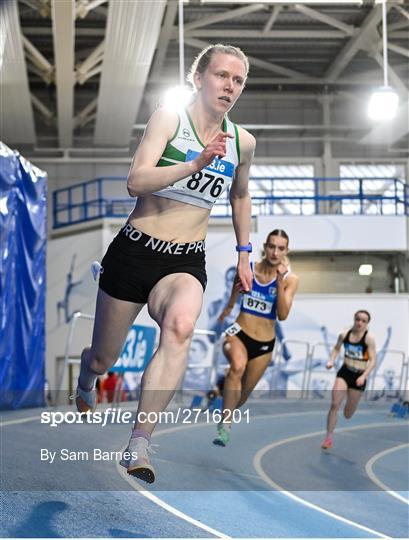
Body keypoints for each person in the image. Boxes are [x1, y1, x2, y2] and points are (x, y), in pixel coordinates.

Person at [75, 43, 255, 483]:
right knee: (104, 358)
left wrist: (244, 252)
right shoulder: (168, 119)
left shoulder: (242, 142)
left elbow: (240, 194)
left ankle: (140, 441)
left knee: (180, 327)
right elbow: (136, 181)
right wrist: (194, 162)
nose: (229, 86)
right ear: (198, 78)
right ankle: (87, 372)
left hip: (185, 261)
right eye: (221, 76)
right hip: (135, 251)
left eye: (238, 80)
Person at [213, 229, 299, 446]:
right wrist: (230, 307)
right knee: (238, 366)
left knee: (241, 398)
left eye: (280, 248)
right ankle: (225, 427)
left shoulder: (291, 280)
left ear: (286, 251)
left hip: (264, 344)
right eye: (271, 246)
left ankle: (228, 386)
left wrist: (279, 283)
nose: (275, 252)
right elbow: (235, 286)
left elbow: (283, 315)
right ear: (265, 247)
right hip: (238, 332)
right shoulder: (249, 268)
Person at [321, 310, 376, 449]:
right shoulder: (344, 334)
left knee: (347, 414)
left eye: (363, 321)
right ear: (354, 319)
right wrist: (331, 360)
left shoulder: (369, 339)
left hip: (359, 377)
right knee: (334, 405)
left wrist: (364, 376)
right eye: (358, 319)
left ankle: (350, 407)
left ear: (367, 323)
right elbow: (336, 348)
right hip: (344, 372)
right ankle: (328, 438)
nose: (359, 323)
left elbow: (373, 360)